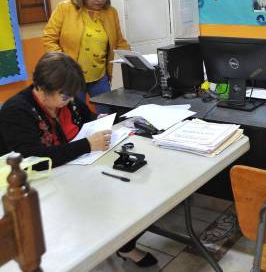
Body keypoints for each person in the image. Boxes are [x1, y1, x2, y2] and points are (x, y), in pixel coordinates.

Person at [0, 52, 158, 268]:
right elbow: (32, 159)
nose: (71, 100)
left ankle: (125, 245)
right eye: (65, 96)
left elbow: (88, 120)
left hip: (79, 174)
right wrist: (86, 144)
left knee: (136, 195)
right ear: (42, 89)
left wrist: (100, 122)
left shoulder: (67, 102)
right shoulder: (16, 111)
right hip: (44, 190)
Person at [42, 0, 130, 114]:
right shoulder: (65, 8)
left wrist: (135, 60)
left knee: (107, 114)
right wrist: (63, 64)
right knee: (76, 115)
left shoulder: (110, 12)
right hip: (72, 77)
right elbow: (49, 38)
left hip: (100, 76)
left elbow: (119, 41)